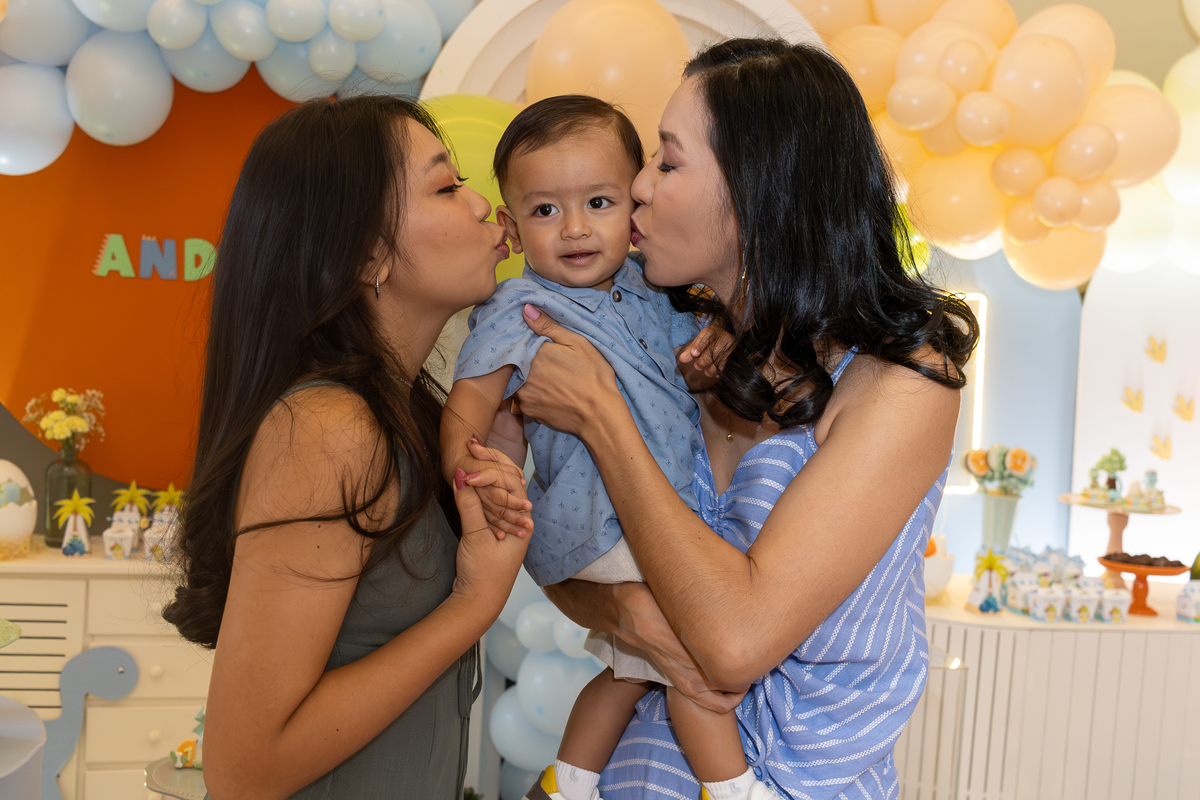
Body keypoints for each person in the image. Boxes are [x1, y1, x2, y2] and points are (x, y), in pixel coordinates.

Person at [509, 39, 980, 800]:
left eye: (668, 162)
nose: (638, 186)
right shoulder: (671, 342)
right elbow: (556, 540)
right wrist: (628, 608)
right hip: (639, 771)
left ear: (757, 193)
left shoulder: (898, 383)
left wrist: (604, 416)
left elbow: (734, 642)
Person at [161, 95, 532, 800]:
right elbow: (244, 770)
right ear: (367, 255)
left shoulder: (408, 417)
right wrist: (471, 606)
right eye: (446, 187)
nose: (483, 204)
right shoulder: (331, 428)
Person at [443, 95, 761, 800]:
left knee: (626, 671)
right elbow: (469, 402)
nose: (576, 228)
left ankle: (568, 781)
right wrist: (471, 466)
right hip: (601, 517)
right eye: (545, 210)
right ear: (512, 225)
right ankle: (735, 786)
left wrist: (711, 356)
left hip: (657, 510)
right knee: (693, 656)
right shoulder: (522, 308)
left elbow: (682, 373)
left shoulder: (657, 290)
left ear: (634, 207)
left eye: (598, 202)